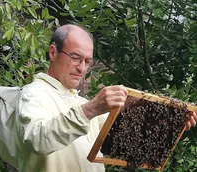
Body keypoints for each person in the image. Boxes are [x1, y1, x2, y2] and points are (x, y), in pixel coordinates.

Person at [13, 24, 197, 172]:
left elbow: (127, 143)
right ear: (53, 53)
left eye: (87, 61)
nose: (82, 68)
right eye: (76, 57)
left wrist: (169, 125)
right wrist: (91, 109)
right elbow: (35, 140)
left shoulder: (80, 103)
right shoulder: (33, 93)